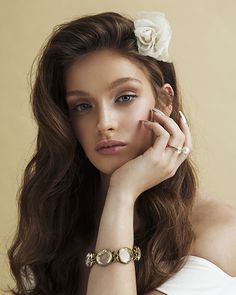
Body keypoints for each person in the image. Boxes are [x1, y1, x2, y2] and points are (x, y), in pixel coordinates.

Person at [7, 10, 236, 295]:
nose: (104, 124)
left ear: (164, 101)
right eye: (82, 106)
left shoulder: (217, 228)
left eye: (125, 97)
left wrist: (123, 193)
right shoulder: (60, 220)